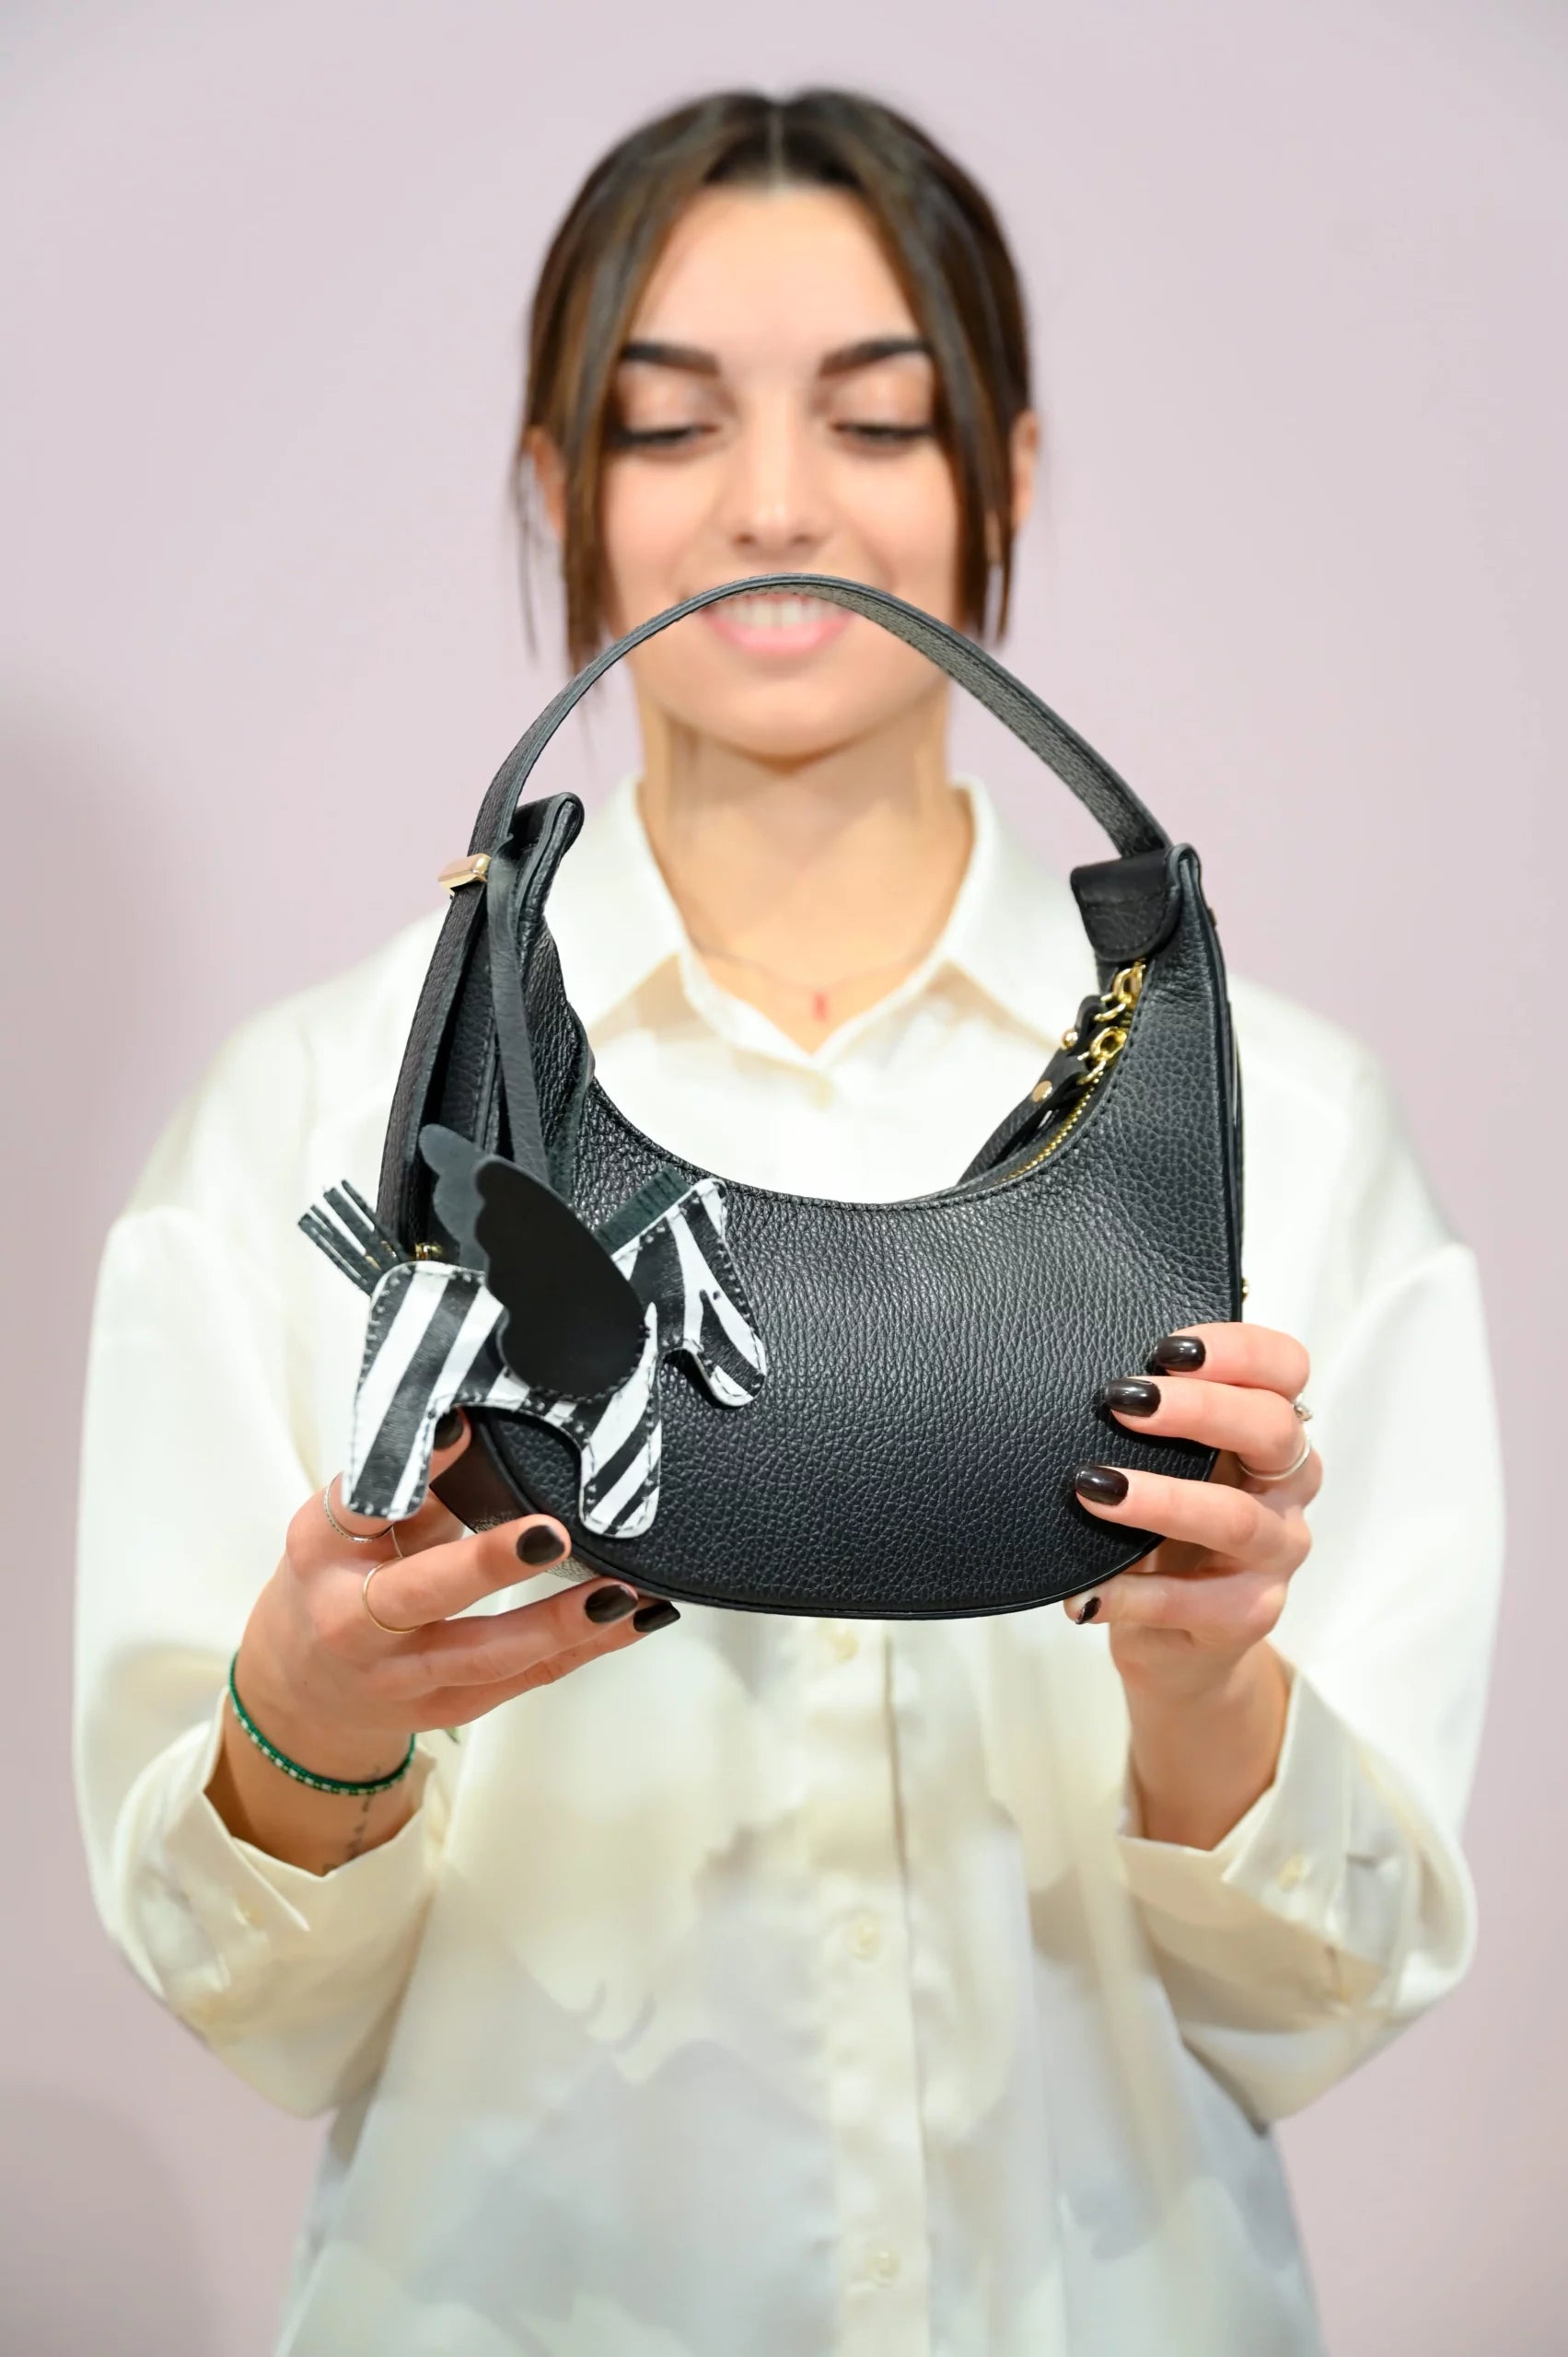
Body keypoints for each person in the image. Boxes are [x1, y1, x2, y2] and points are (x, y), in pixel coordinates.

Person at [74, 87, 1504, 2357]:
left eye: (875, 417)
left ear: (1003, 472)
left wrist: (1208, 1688)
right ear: (558, 485)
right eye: (667, 424)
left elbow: (1328, 1998)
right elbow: (258, 2000)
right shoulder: (323, 1126)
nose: (771, 502)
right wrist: (312, 1721)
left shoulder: (1284, 1139)